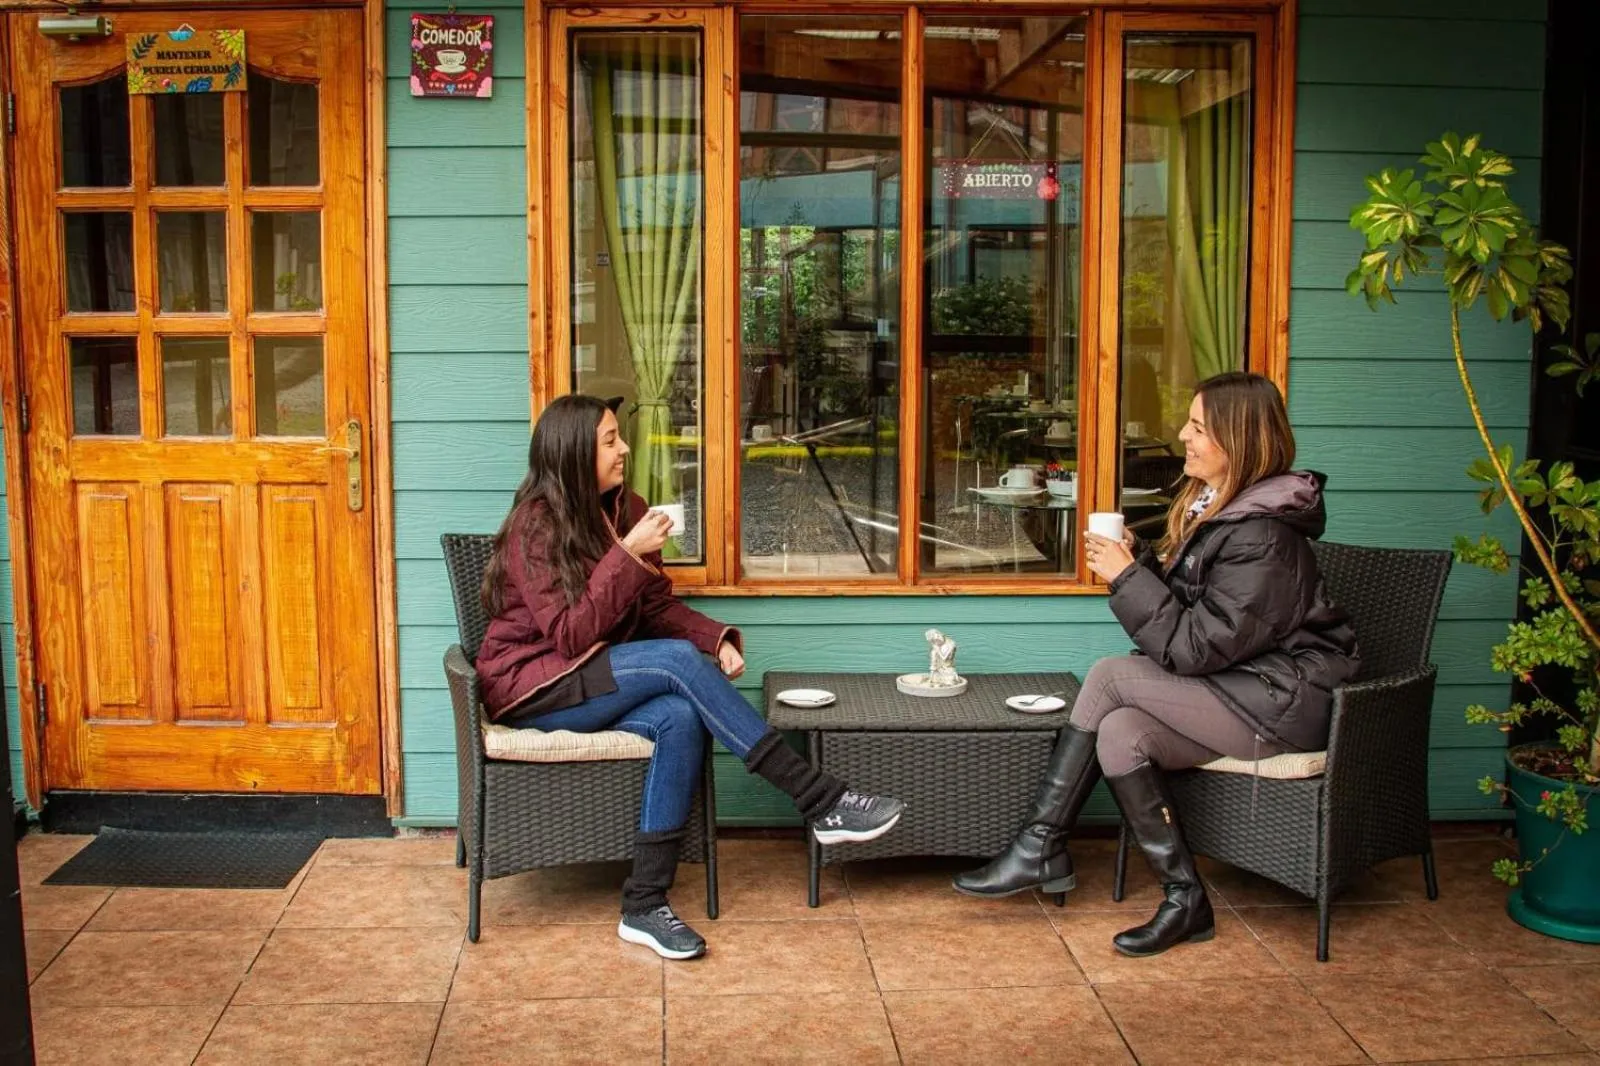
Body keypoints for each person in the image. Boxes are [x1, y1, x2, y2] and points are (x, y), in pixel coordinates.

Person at [475, 394, 904, 961]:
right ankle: (821, 801)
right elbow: (570, 636)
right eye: (609, 440)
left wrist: (715, 637)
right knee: (676, 664)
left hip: (596, 677)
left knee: (679, 718)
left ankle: (644, 905)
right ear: (574, 452)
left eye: (618, 436)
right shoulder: (536, 525)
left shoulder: (625, 508)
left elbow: (654, 607)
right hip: (536, 686)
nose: (624, 448)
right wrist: (627, 554)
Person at [952, 371, 1358, 957]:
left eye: (1198, 427)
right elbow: (1206, 618)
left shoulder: (1263, 536)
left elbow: (1191, 648)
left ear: (1237, 440)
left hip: (1283, 702)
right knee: (1120, 731)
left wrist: (1125, 578)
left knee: (1111, 675)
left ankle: (1039, 843)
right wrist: (1139, 561)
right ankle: (1184, 899)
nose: (1182, 436)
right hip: (1241, 687)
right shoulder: (1222, 512)